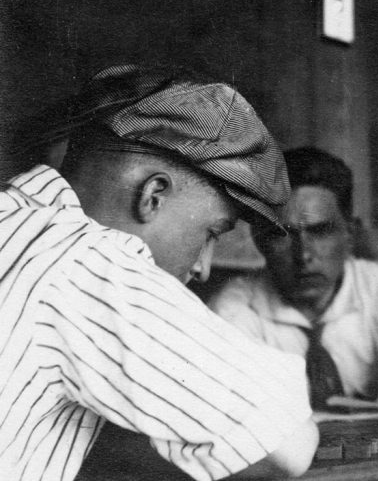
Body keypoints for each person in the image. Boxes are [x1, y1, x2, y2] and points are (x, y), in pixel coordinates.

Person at [0, 65, 318, 481]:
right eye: (211, 234)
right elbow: (282, 440)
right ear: (152, 196)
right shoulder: (82, 257)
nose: (204, 268)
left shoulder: (17, 221)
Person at [208, 146, 378, 404]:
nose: (304, 255)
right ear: (258, 240)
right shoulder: (233, 310)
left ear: (350, 234)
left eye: (320, 232)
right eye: (281, 235)